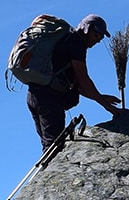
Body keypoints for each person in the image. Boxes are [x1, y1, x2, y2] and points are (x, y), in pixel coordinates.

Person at [26, 14, 122, 149]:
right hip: (49, 98)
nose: (99, 40)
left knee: (49, 146)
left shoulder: (67, 40)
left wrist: (101, 98)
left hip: (35, 95)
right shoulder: (76, 43)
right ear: (87, 29)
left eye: (101, 37)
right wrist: (106, 106)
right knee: (54, 147)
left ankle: (48, 169)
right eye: (97, 35)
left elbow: (79, 87)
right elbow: (83, 80)